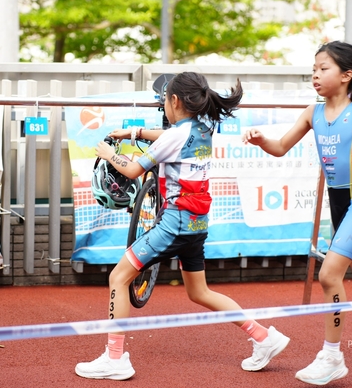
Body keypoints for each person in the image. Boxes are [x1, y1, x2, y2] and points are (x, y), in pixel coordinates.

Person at [75, 72, 290, 380]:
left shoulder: (175, 135)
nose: (163, 104)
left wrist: (110, 154)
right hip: (196, 225)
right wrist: (134, 132)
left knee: (118, 278)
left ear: (174, 101)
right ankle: (263, 337)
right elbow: (168, 137)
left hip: (173, 225)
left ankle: (114, 359)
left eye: (164, 100)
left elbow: (134, 169)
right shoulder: (203, 128)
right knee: (200, 292)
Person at [243, 41, 352, 386]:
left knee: (329, 275)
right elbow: (280, 147)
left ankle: (332, 356)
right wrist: (262, 141)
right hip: (338, 202)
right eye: (314, 70)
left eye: (323, 69)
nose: (316, 75)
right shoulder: (312, 113)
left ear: (346, 75)